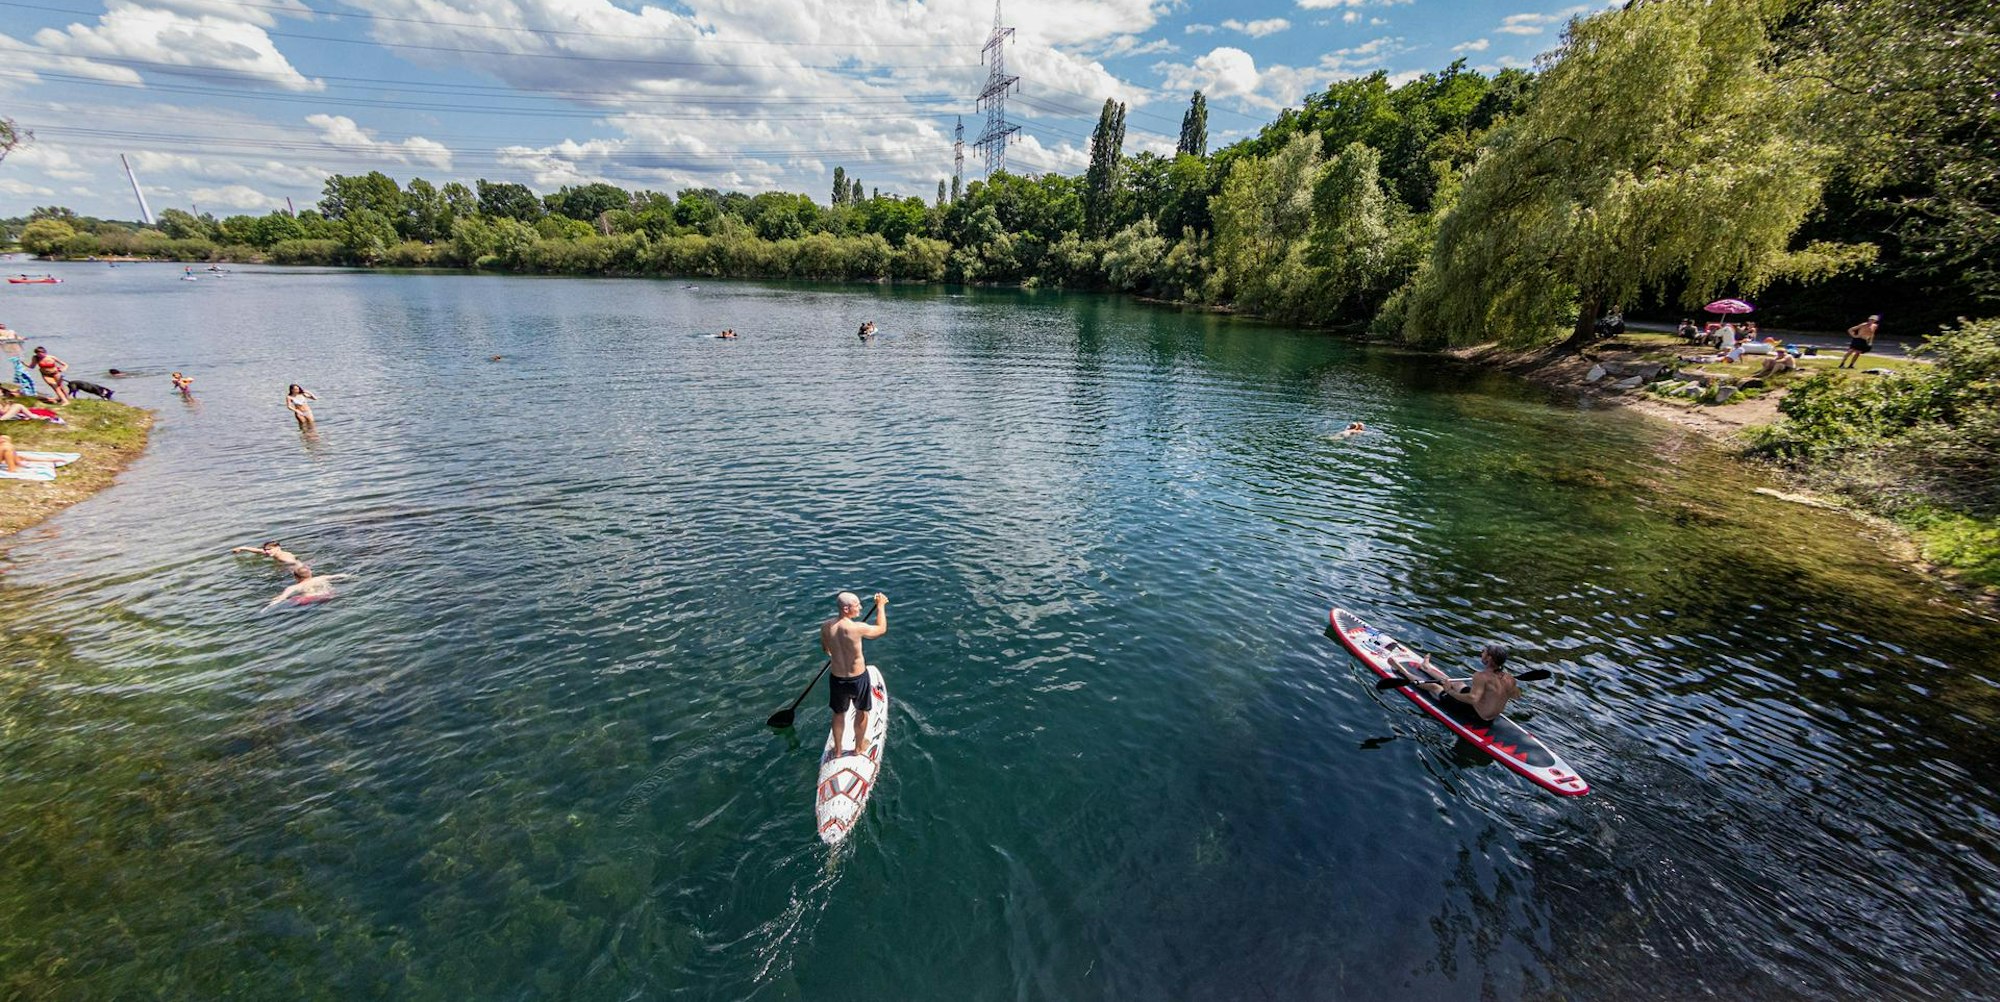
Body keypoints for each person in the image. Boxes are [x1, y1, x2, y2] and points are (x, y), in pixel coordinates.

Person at [820, 591, 888, 758]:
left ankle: (837, 751)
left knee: (838, 713)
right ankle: (858, 748)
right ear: (846, 609)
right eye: (857, 605)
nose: (860, 607)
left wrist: (837, 652)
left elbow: (826, 649)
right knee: (862, 711)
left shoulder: (826, 626)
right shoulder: (857, 628)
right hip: (858, 679)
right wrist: (880, 606)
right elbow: (881, 629)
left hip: (837, 679)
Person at [1417, 643, 1520, 723]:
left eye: (1483, 652)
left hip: (1476, 716)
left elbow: (1472, 699)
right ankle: (1426, 668)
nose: (1481, 653)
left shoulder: (1481, 676)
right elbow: (1516, 696)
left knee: (1435, 687)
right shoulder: (1509, 678)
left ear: (1489, 658)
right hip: (1484, 710)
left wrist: (1449, 692)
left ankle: (1406, 673)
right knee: (1457, 683)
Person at [266, 564, 354, 608]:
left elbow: (282, 598)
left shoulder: (293, 587)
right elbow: (340, 575)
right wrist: (351, 576)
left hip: (308, 600)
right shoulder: (321, 578)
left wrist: (269, 606)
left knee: (294, 599)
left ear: (295, 577)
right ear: (310, 573)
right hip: (327, 595)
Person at [232, 540, 306, 570]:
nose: (267, 552)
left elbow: (298, 565)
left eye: (269, 549)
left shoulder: (283, 558)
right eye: (265, 549)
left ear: (278, 548)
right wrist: (242, 548)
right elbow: (257, 551)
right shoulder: (273, 553)